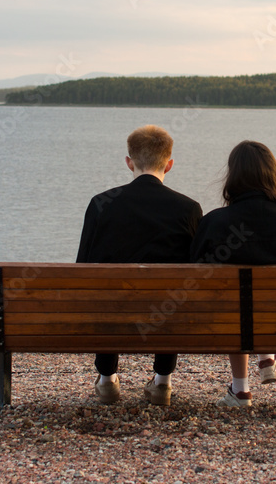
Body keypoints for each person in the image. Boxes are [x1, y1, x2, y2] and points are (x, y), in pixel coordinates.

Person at [76, 125, 202, 406]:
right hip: (166, 312)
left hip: (114, 310)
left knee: (105, 293)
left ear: (129, 162)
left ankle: (107, 379)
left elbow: (82, 267)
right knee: (174, 293)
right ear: (169, 165)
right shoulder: (188, 208)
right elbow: (195, 271)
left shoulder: (100, 204)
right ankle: (162, 381)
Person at [190, 140, 276, 407]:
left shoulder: (213, 222)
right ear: (273, 176)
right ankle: (267, 357)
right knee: (251, 303)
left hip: (226, 319)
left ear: (232, 176)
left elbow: (194, 274)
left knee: (236, 305)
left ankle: (240, 388)